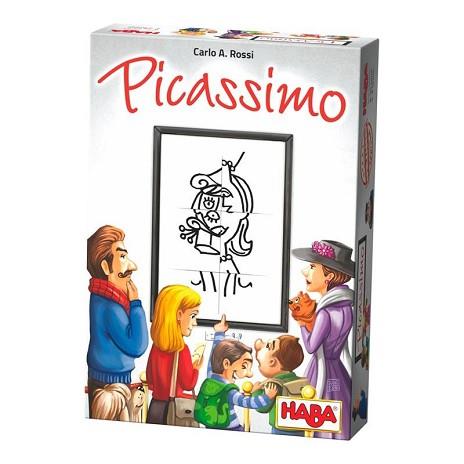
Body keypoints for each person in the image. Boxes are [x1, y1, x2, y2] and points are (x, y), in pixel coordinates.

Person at [291, 239, 355, 439]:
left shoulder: (325, 312)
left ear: (329, 276)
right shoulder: (347, 307)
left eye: (312, 267)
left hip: (321, 371)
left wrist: (302, 323)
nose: (305, 272)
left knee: (316, 416)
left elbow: (311, 346)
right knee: (340, 411)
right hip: (338, 371)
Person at [86, 225, 148, 418]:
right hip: (111, 387)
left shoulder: (103, 298)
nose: (132, 266)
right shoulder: (110, 306)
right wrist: (135, 304)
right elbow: (137, 345)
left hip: (110, 380)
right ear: (106, 267)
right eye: (122, 257)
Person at [194, 315, 277, 431]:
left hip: (210, 426)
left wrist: (219, 333)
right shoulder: (230, 392)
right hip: (231, 429)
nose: (250, 374)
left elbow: (215, 353)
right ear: (227, 364)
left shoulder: (211, 376)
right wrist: (267, 397)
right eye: (244, 366)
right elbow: (247, 402)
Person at [146, 285, 203, 424]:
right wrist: (196, 368)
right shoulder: (182, 349)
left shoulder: (156, 347)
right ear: (178, 315)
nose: (195, 323)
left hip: (155, 407)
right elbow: (188, 384)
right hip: (174, 409)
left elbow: (150, 380)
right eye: (193, 316)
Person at [253, 335, 307, 436]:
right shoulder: (299, 381)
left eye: (268, 346)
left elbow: (262, 407)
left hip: (280, 430)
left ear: (272, 362)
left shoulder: (273, 384)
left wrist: (256, 391)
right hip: (301, 429)